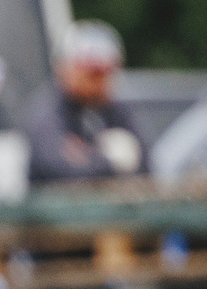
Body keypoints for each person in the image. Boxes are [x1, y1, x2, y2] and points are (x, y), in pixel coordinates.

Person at [22, 20, 146, 184]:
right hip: (56, 201)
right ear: (64, 68)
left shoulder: (117, 112)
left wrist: (88, 158)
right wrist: (109, 162)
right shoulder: (48, 111)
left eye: (104, 72)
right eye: (89, 72)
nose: (97, 81)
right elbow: (59, 169)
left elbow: (147, 166)